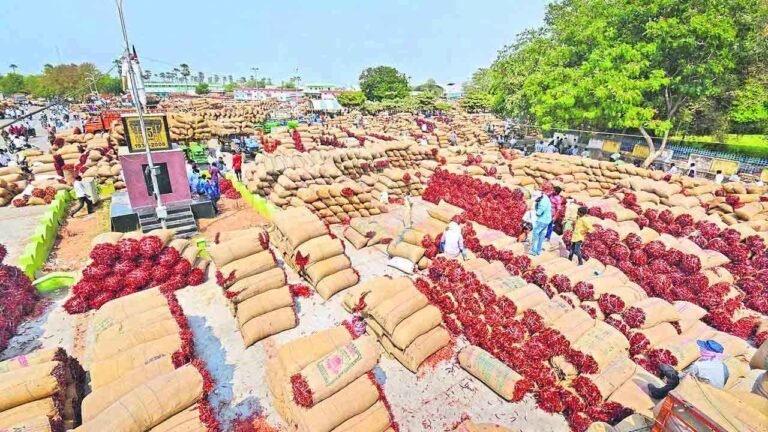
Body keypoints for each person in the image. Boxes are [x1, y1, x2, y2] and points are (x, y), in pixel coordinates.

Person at [648, 339, 729, 399]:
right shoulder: (724, 367)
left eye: (703, 348)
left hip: (698, 393)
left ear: (706, 351)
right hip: (713, 395)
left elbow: (682, 378)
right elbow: (724, 381)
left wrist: (674, 374)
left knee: (674, 378)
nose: (701, 349)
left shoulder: (698, 365)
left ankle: (657, 394)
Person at [530, 190, 552, 256]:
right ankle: (538, 251)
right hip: (547, 219)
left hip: (542, 220)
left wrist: (534, 212)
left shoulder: (542, 204)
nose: (535, 200)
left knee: (535, 234)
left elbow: (538, 213)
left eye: (536, 199)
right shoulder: (544, 197)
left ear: (539, 197)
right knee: (541, 235)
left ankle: (534, 251)